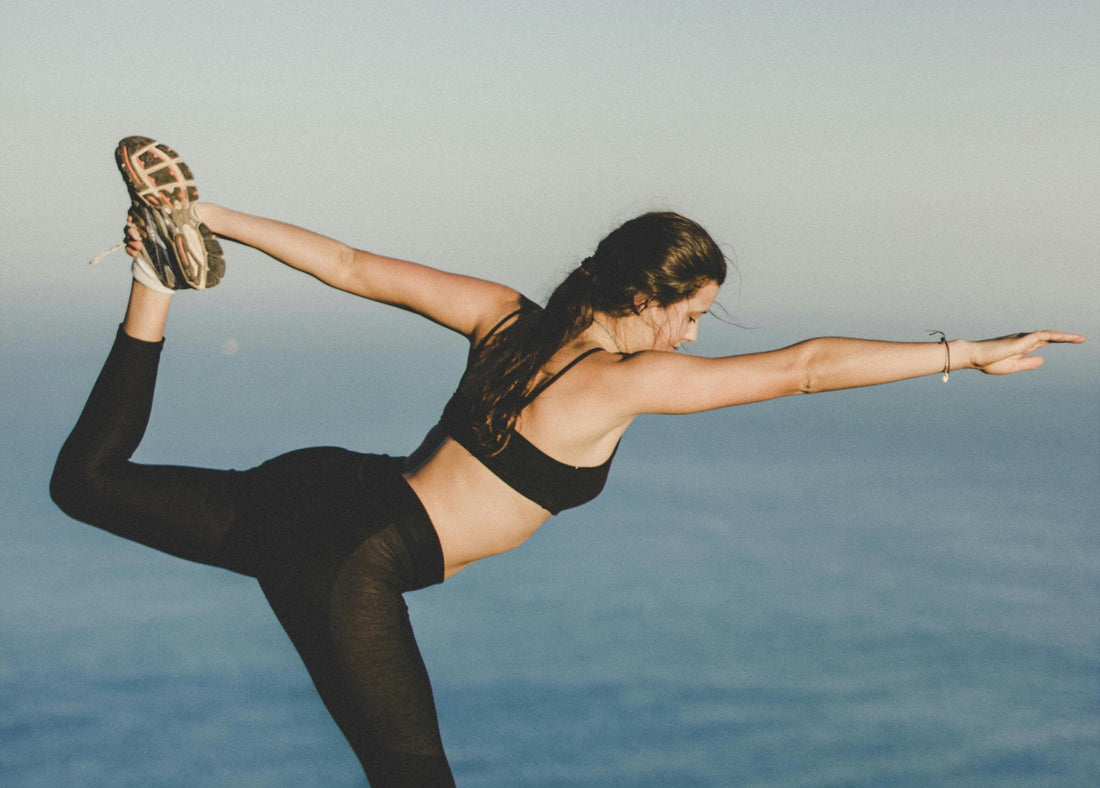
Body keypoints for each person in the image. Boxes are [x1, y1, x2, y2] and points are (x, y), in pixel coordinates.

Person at [50, 136, 1085, 787]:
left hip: (328, 486)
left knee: (85, 481)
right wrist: (964, 350)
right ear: (642, 297)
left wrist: (211, 213)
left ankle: (159, 264)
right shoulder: (621, 382)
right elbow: (804, 368)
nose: (688, 335)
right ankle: (167, 254)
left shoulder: (503, 314)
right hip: (354, 551)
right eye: (686, 314)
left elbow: (351, 266)